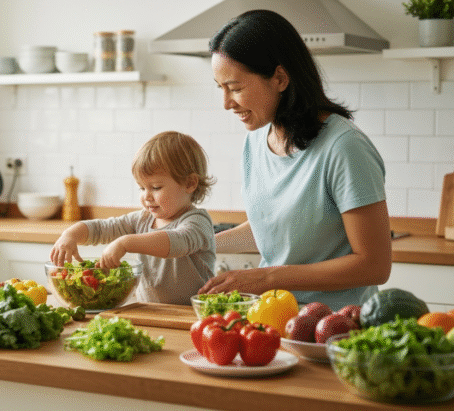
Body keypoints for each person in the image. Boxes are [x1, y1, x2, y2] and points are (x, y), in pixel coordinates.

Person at [197, 10, 392, 311]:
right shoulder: (257, 139)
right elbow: (273, 227)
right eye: (220, 88)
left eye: (235, 88)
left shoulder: (344, 147)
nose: (226, 103)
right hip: (273, 318)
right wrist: (195, 243)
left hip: (335, 327)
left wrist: (267, 278)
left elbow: (374, 266)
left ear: (280, 78)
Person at [50, 131, 217, 305]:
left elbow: (178, 241)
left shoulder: (198, 221)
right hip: (149, 312)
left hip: (192, 315)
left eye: (156, 187)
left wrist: (125, 243)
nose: (146, 196)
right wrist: (70, 235)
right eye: (141, 188)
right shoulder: (141, 219)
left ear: (190, 184)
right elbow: (102, 228)